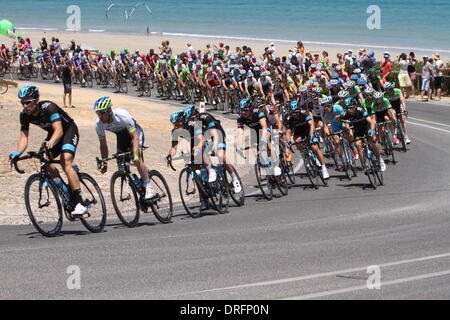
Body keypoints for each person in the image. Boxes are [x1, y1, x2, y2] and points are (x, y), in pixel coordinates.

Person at [8, 85, 88, 216]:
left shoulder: (48, 107)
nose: (25, 106)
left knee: (65, 161)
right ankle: (63, 188)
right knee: (44, 158)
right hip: (53, 133)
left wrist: (51, 142)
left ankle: (80, 202)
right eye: (22, 102)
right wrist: (18, 152)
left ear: (36, 100)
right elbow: (24, 137)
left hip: (68, 130)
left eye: (28, 102)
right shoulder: (24, 115)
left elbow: (59, 130)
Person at [94, 97, 156, 200]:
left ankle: (149, 187)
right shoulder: (99, 124)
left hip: (135, 133)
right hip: (121, 136)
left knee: (136, 159)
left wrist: (135, 154)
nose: (100, 116)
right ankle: (134, 186)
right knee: (121, 164)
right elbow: (103, 145)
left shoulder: (122, 115)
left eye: (102, 113)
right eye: (98, 113)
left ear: (109, 111)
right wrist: (105, 163)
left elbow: (135, 137)